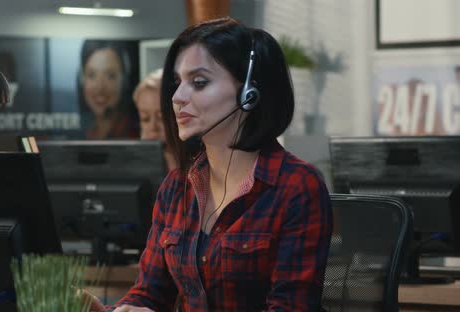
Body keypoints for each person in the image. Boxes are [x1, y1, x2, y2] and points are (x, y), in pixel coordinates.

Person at [86, 17, 333, 312]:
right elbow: (149, 293)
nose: (177, 98)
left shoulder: (296, 187)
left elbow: (290, 307)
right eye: (178, 83)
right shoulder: (176, 187)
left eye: (199, 83)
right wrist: (125, 309)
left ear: (249, 94)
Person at [78, 40, 140, 139]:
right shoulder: (83, 133)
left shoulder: (135, 135)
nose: (100, 88)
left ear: (124, 81)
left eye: (110, 76)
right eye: (92, 75)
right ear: (82, 80)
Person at [133, 68, 177, 171]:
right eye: (145, 119)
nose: (153, 127)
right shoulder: (136, 169)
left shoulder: (200, 172)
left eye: (161, 118)